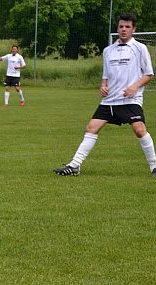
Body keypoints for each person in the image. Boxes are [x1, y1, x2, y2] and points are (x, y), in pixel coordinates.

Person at [54, 13, 156, 177]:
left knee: (139, 130)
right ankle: (74, 166)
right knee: (91, 128)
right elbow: (105, 76)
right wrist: (103, 86)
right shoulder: (108, 50)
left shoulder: (140, 49)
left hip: (130, 100)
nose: (124, 29)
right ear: (117, 28)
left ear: (133, 29)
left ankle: (154, 166)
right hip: (109, 101)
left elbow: (149, 74)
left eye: (127, 27)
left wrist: (134, 86)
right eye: (121, 26)